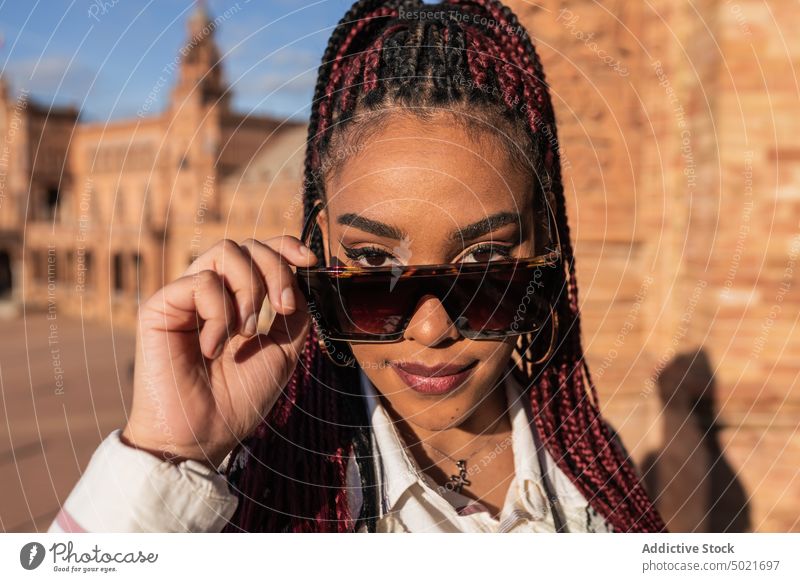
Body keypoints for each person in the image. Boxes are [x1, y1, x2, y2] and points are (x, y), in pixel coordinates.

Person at [49, 0, 667, 534]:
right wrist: (165, 453)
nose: (430, 329)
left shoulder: (594, 472)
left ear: (543, 246)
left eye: (484, 261)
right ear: (316, 245)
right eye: (374, 262)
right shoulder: (257, 496)